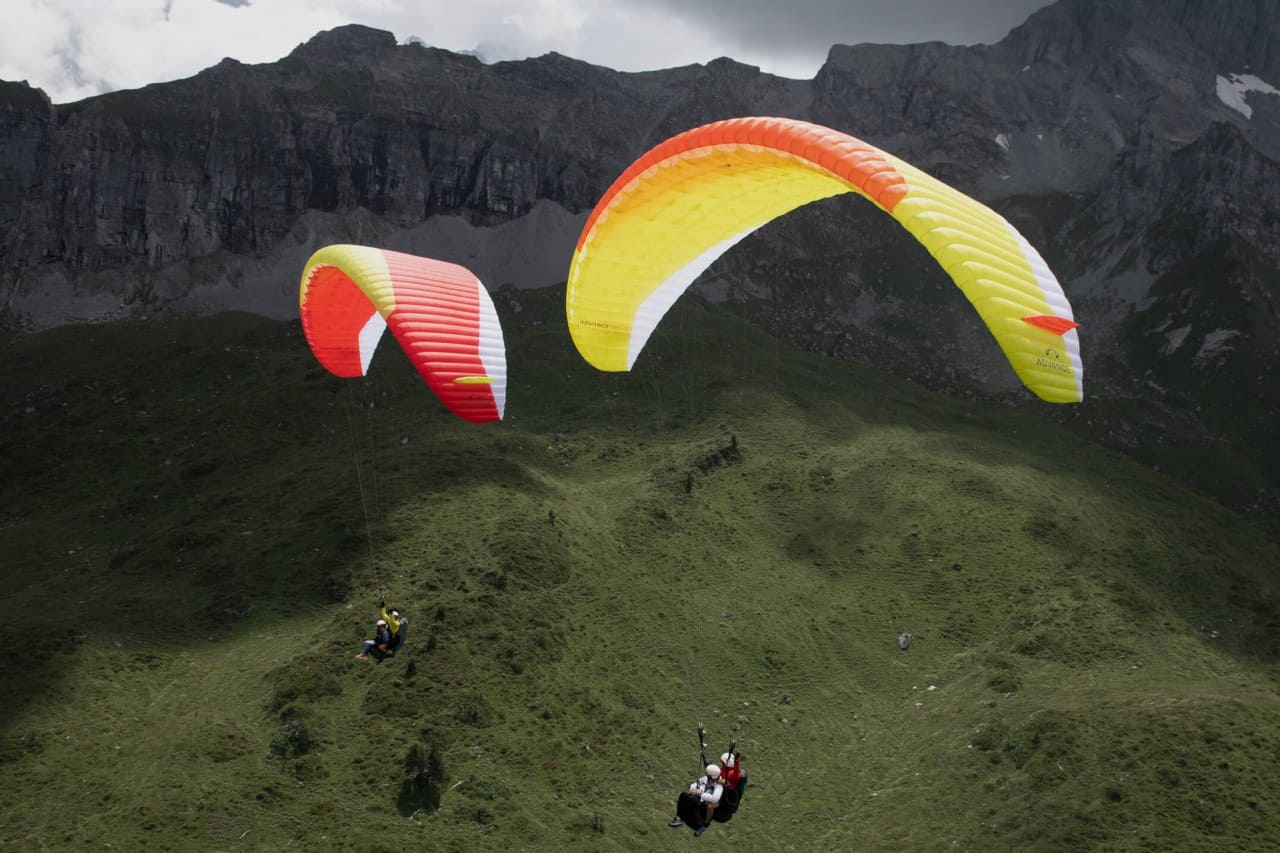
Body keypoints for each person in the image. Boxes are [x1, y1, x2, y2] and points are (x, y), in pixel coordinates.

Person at [669, 764, 723, 836]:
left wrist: (701, 794)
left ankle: (689, 819)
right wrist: (693, 788)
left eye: (708, 775)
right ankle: (679, 818)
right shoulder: (706, 778)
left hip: (705, 804)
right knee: (683, 795)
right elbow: (696, 783)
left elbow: (714, 798)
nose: (706, 775)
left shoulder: (719, 786)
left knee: (692, 799)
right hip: (698, 798)